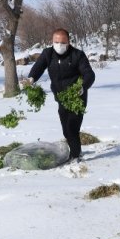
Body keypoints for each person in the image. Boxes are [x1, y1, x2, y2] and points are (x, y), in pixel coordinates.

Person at [27, 28, 96, 163]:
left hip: (77, 97)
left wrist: (83, 87)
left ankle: (76, 156)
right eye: (56, 42)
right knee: (66, 130)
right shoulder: (48, 53)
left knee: (72, 128)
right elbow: (39, 67)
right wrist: (31, 78)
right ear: (52, 41)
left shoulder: (78, 55)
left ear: (69, 42)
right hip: (61, 97)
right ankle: (76, 150)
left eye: (62, 42)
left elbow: (89, 74)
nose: (59, 45)